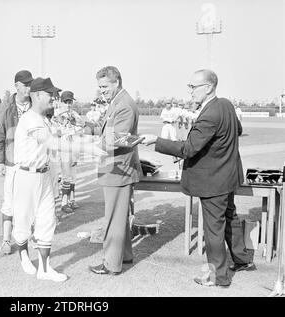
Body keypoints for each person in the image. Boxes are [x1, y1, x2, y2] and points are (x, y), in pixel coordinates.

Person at [140, 69, 255, 288]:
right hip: (228, 176)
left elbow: (189, 148)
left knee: (214, 229)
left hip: (213, 181)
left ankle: (218, 276)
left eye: (193, 87)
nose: (189, 91)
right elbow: (237, 130)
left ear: (209, 87)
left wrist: (156, 141)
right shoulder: (226, 105)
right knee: (229, 218)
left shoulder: (210, 113)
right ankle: (242, 260)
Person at [13, 77, 106, 282]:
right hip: (26, 176)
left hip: (45, 174)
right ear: (37, 95)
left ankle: (45, 269)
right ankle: (23, 255)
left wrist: (90, 140)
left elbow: (63, 137)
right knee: (23, 221)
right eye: (50, 95)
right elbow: (52, 143)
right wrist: (86, 148)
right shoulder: (30, 119)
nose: (54, 98)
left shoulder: (44, 119)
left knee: (47, 220)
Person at [89, 66, 142, 276]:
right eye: (100, 88)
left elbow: (114, 139)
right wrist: (82, 126)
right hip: (116, 168)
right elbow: (103, 127)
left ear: (116, 82)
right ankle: (125, 255)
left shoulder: (124, 105)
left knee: (113, 218)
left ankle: (110, 264)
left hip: (119, 169)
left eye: (104, 87)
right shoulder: (116, 102)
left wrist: (87, 146)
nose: (102, 91)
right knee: (120, 215)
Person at [0, 70, 34, 255]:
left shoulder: (35, 104)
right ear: (16, 85)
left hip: (31, 160)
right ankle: (6, 240)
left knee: (30, 201)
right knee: (9, 201)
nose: (28, 88)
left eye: (30, 84)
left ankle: (29, 237)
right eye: (25, 85)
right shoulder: (7, 107)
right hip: (11, 161)